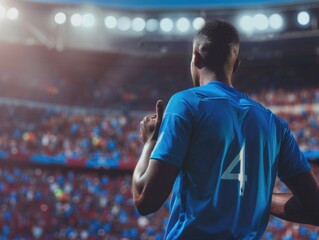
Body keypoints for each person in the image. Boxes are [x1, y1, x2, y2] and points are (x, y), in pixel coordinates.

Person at [132, 19, 319, 239]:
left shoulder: (186, 103)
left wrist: (150, 143)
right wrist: (256, 197)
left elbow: (145, 199)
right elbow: (315, 208)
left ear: (195, 57)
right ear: (236, 64)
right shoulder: (274, 124)